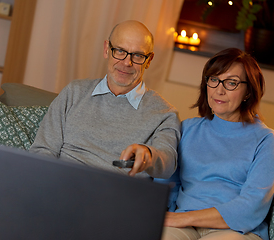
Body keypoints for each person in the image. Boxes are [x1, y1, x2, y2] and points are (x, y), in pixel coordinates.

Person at [29, 20, 181, 178]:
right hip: (61, 186)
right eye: (120, 51)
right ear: (106, 50)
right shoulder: (74, 92)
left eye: (137, 55)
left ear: (149, 60)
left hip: (116, 196)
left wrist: (149, 156)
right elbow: (43, 151)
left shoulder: (165, 113)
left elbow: (168, 164)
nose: (127, 62)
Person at [155, 48, 274, 240]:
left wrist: (184, 217)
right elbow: (167, 183)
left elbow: (252, 206)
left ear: (248, 91)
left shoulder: (266, 139)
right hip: (182, 224)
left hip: (234, 230)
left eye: (232, 83)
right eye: (214, 79)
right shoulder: (187, 129)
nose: (219, 90)